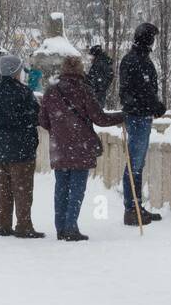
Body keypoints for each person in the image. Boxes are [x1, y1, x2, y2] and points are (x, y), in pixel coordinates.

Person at [39, 55, 125, 241]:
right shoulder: (84, 91)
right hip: (81, 147)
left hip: (59, 149)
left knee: (61, 188)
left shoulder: (51, 92)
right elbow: (100, 119)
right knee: (77, 189)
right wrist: (122, 116)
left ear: (63, 70)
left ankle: (61, 228)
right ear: (80, 70)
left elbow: (43, 121)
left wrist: (60, 131)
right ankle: (71, 227)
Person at [0, 54, 44, 239]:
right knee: (23, 189)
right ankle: (24, 225)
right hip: (22, 148)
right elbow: (35, 117)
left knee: (3, 188)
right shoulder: (24, 93)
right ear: (15, 72)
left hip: (1, 148)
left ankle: (2, 224)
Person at [118, 22, 165, 226]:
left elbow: (145, 89)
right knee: (134, 164)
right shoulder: (134, 61)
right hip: (138, 116)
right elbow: (141, 89)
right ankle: (132, 208)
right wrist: (155, 105)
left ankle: (136, 205)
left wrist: (153, 104)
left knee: (137, 164)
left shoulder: (140, 60)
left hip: (142, 115)